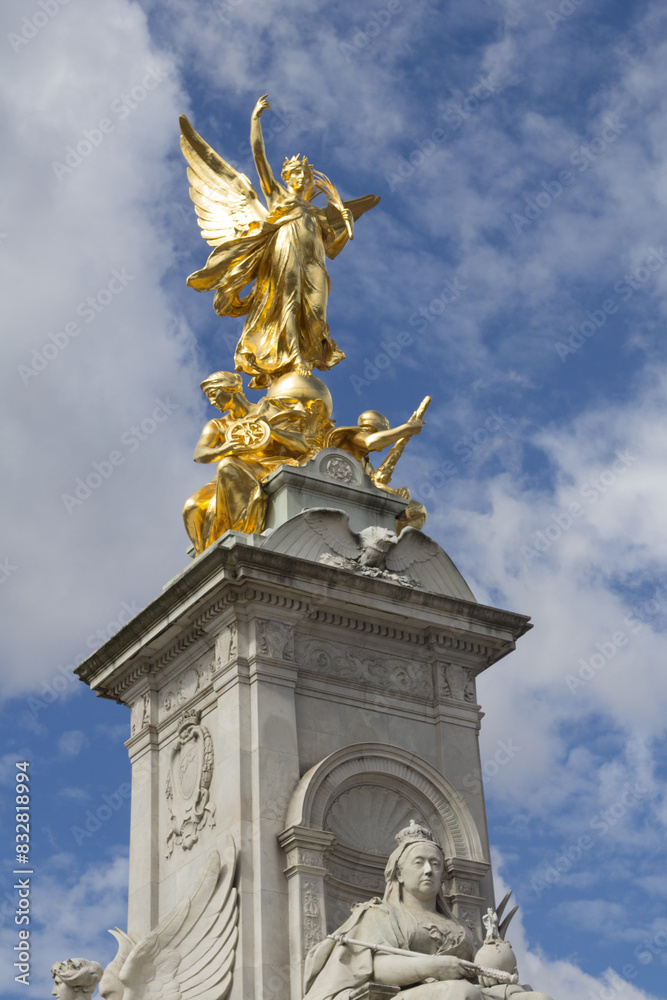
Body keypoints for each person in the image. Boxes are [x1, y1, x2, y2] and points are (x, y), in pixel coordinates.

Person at [182, 95, 380, 388]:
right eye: (294, 172)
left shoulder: (317, 214)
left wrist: (346, 230)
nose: (300, 177)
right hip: (285, 249)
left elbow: (332, 249)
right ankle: (294, 356)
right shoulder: (278, 195)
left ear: (309, 178)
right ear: (287, 176)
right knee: (288, 302)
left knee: (315, 311)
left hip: (315, 261)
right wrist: (255, 120)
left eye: (304, 173)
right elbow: (259, 157)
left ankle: (308, 352)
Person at [303, 823, 554, 1000]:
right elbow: (371, 968)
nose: (428, 870)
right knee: (459, 993)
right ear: (399, 873)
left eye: (435, 864)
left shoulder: (457, 926)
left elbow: (478, 969)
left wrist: (492, 967)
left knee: (537, 998)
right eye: (419, 863)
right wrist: (433, 967)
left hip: (466, 991)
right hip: (406, 994)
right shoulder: (380, 914)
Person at [182, 371, 311, 553]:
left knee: (227, 465)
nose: (212, 402)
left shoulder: (269, 409)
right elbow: (199, 453)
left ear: (230, 388)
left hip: (266, 465)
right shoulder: (218, 425)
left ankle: (241, 540)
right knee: (193, 506)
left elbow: (301, 445)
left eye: (213, 394)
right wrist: (224, 450)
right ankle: (210, 556)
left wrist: (272, 431)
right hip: (231, 471)